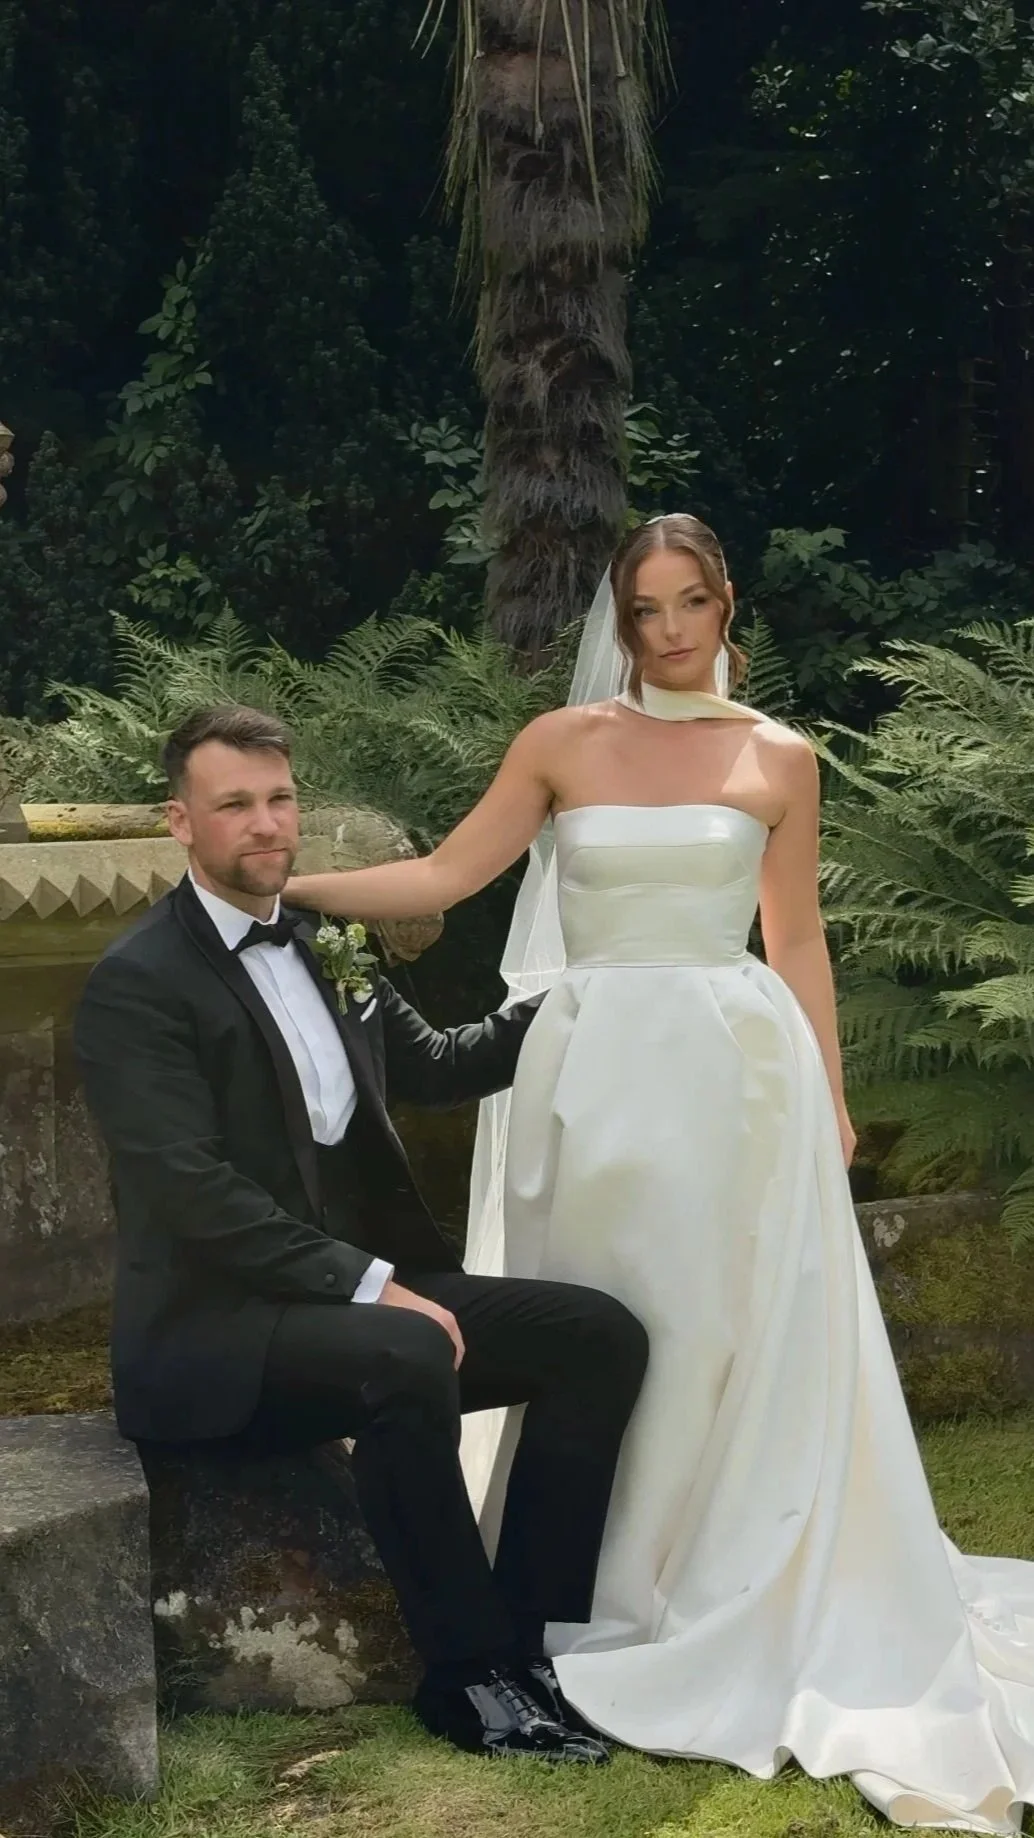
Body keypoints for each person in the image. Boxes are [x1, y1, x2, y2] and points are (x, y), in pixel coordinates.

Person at [285, 514, 1034, 1832]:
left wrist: (833, 1094)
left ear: (725, 601)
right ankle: (594, 1582)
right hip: (590, 1071)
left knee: (725, 1326)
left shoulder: (778, 758)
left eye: (691, 601)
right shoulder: (560, 744)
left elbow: (794, 934)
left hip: (737, 1070)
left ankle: (731, 1574)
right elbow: (452, 873)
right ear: (619, 619)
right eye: (646, 608)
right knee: (606, 1316)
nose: (672, 629)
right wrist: (285, 882)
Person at [74, 703, 650, 1766]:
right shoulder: (136, 984)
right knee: (406, 1346)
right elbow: (189, 1188)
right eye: (233, 804)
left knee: (598, 1334)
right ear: (181, 821)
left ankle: (527, 1637)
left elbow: (435, 1063)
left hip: (354, 1304)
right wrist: (370, 1281)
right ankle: (464, 1675)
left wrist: (600, 989)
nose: (265, 823)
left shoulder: (323, 937)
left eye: (279, 797)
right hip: (215, 1337)